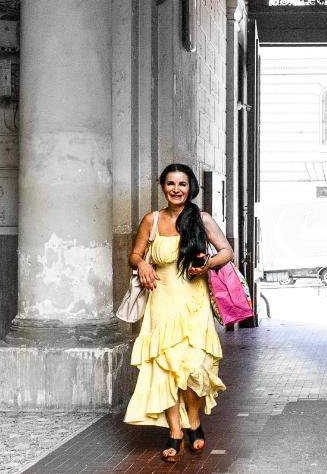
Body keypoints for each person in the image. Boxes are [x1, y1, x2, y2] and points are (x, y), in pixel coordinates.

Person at [123, 163, 232, 462]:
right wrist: (142, 264)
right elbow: (134, 254)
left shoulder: (201, 219)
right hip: (161, 302)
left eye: (182, 184)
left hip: (193, 302)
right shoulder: (152, 220)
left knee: (194, 366)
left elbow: (226, 252)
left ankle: (193, 420)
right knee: (166, 369)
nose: (176, 189)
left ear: (190, 187)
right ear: (163, 187)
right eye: (170, 183)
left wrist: (207, 264)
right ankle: (175, 432)